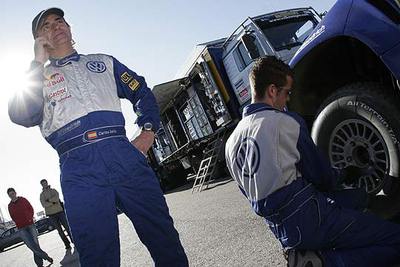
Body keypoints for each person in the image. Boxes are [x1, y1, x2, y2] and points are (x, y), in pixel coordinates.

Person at [8, 8, 188, 267]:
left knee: (164, 239)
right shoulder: (37, 80)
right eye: (46, 26)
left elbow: (141, 92)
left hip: (124, 156)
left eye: (59, 21)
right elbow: (20, 114)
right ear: (39, 40)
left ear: (69, 27)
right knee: (98, 256)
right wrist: (36, 64)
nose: (55, 26)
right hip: (79, 169)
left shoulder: (104, 62)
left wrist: (147, 131)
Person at [225, 56, 400, 267]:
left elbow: (253, 192)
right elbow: (323, 178)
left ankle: (307, 253)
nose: (287, 100)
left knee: (359, 197)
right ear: (272, 91)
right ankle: (323, 262)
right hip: (313, 218)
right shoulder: (284, 122)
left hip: (282, 231)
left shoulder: (231, 144)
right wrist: (347, 172)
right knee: (394, 240)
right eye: (287, 93)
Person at [7, 188, 53, 267]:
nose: (12, 196)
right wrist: (18, 222)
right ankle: (45, 256)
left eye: (13, 193)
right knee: (30, 245)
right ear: (9, 196)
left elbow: (30, 208)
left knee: (35, 244)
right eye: (10, 195)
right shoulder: (10, 206)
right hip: (21, 228)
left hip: (30, 224)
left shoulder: (23, 200)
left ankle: (39, 264)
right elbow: (12, 216)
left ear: (15, 193)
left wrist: (30, 218)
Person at [39, 179, 72, 249]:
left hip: (60, 211)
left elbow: (57, 198)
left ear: (47, 183)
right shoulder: (41, 195)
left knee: (67, 227)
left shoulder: (53, 190)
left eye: (45, 183)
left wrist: (48, 200)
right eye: (43, 184)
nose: (44, 184)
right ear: (41, 185)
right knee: (60, 231)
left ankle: (73, 240)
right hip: (51, 215)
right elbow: (44, 204)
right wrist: (53, 202)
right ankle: (67, 244)